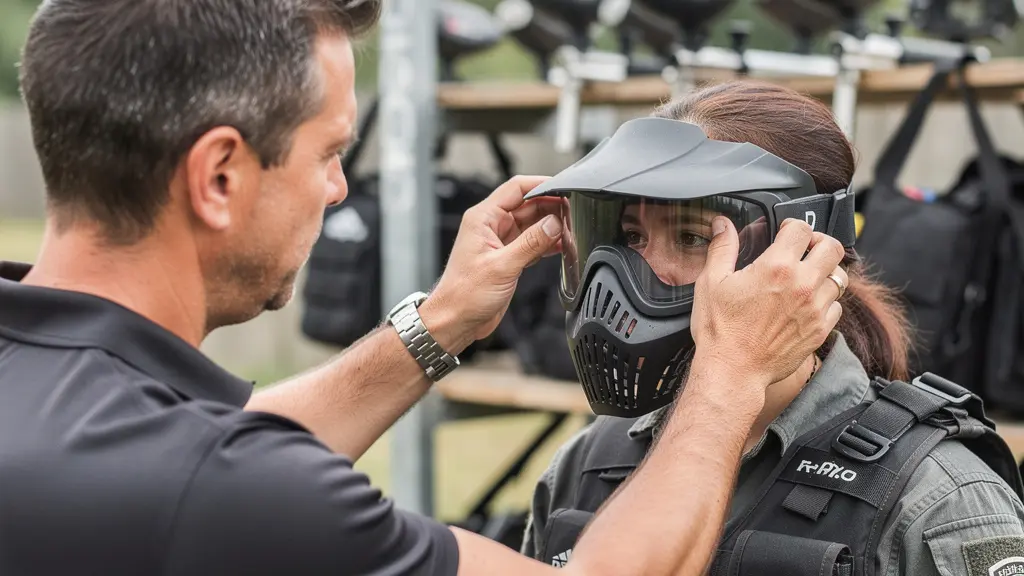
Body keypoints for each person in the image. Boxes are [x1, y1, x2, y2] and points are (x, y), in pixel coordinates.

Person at [0, 2, 853, 575]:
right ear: (220, 175)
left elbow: (196, 456)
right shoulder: (234, 491)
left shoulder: (57, 401)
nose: (338, 190)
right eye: (330, 153)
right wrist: (731, 370)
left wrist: (439, 324)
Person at [520, 81, 1024, 575]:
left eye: (693, 237)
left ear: (801, 256)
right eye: (632, 235)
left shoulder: (936, 500)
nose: (641, 272)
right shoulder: (589, 462)